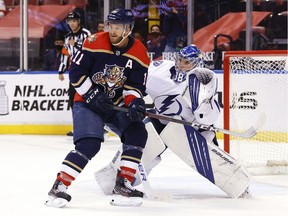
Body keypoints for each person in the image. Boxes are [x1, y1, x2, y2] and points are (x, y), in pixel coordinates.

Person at [95, 44, 251, 198]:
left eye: (187, 62)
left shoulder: (201, 80)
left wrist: (204, 106)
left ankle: (238, 183)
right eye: (180, 59)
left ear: (196, 63)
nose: (181, 64)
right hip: (163, 121)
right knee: (142, 143)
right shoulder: (159, 70)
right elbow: (135, 83)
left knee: (211, 156)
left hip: (193, 127)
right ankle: (117, 180)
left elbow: (206, 117)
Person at [45, 8, 150, 208]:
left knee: (138, 132)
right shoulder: (94, 42)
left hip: (115, 105)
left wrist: (134, 102)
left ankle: (123, 185)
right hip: (86, 102)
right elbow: (76, 73)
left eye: (118, 27)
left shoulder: (140, 53)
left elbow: (134, 86)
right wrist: (92, 94)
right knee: (89, 144)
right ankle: (59, 187)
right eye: (111, 25)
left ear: (128, 29)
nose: (112, 30)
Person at [58, 10, 91, 136]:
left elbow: (89, 51)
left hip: (87, 72)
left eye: (74, 21)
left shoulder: (86, 34)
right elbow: (65, 54)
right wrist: (61, 70)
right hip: (74, 73)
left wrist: (76, 44)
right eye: (69, 21)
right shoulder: (67, 37)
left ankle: (98, 126)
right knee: (73, 101)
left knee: (90, 99)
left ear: (79, 22)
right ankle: (77, 127)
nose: (71, 23)